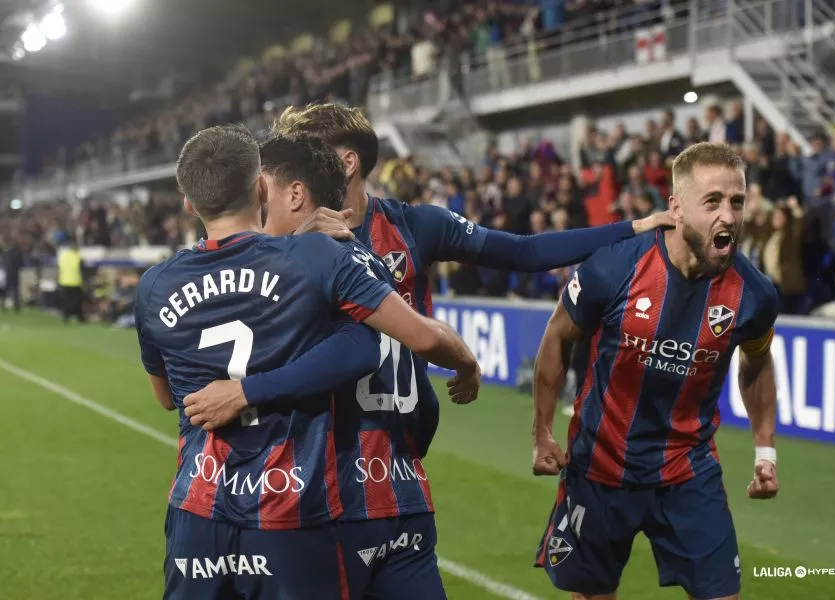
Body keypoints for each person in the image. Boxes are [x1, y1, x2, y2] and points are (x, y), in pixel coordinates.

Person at [184, 103, 675, 599]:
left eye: (307, 149)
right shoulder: (280, 241)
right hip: (310, 471)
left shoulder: (412, 226)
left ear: (346, 162)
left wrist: (630, 228)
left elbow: (524, 251)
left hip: (392, 463)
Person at [135, 126, 479, 600]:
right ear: (260, 187)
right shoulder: (312, 256)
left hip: (198, 506)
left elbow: (166, 398)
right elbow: (363, 349)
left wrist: (236, 390)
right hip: (288, 503)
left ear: (188, 203)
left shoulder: (155, 284)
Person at [532, 143, 779, 600]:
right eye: (712, 202)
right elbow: (557, 336)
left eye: (737, 201)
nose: (728, 215)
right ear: (677, 208)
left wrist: (766, 452)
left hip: (688, 472)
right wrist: (542, 431)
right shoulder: (615, 266)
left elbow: (757, 362)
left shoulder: (754, 294)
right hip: (601, 466)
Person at [57, 238, 84, 323]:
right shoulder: (77, 256)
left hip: (64, 281)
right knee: (77, 301)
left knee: (66, 301)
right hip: (75, 281)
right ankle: (79, 317)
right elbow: (82, 267)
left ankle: (66, 317)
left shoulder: (63, 256)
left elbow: (59, 267)